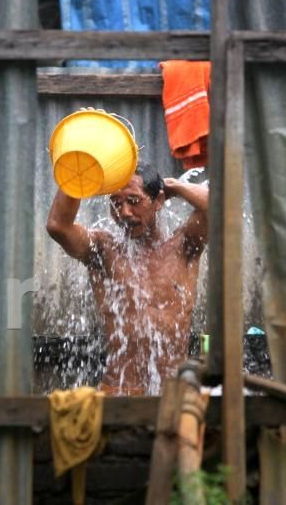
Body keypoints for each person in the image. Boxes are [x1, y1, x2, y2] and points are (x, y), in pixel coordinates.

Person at [46, 162, 208, 395]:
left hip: (174, 393)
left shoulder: (184, 246)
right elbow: (58, 226)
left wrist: (173, 185)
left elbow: (219, 208)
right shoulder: (103, 250)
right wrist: (79, 171)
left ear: (159, 201)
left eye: (134, 201)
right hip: (120, 389)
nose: (124, 213)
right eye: (116, 203)